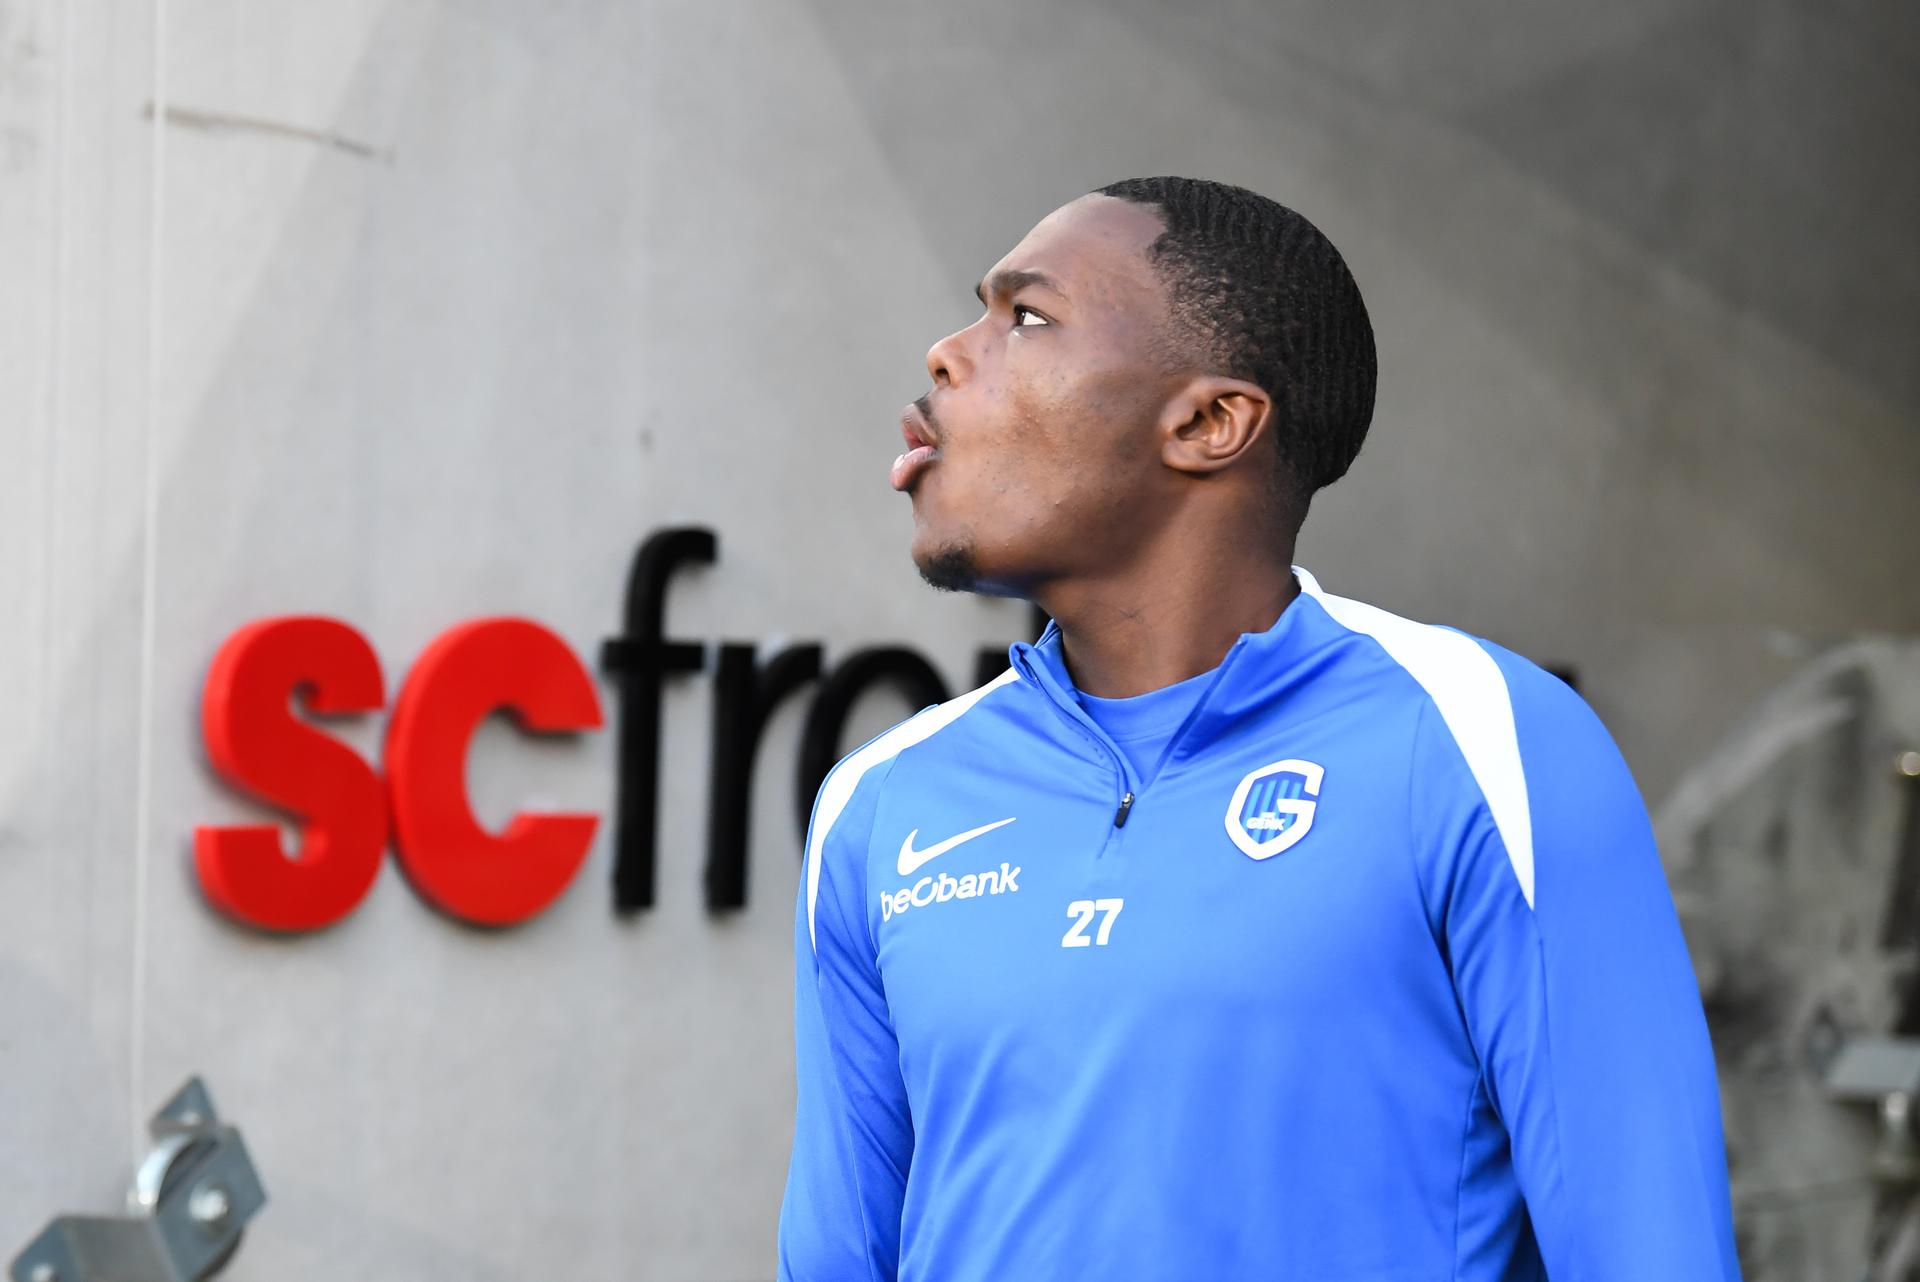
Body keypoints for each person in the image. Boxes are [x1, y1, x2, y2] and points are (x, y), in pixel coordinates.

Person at [776, 176, 1742, 1281]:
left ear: (1208, 422)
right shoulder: (880, 801)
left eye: (1027, 318)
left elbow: (1648, 1252)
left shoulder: (1483, 738)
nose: (949, 352)